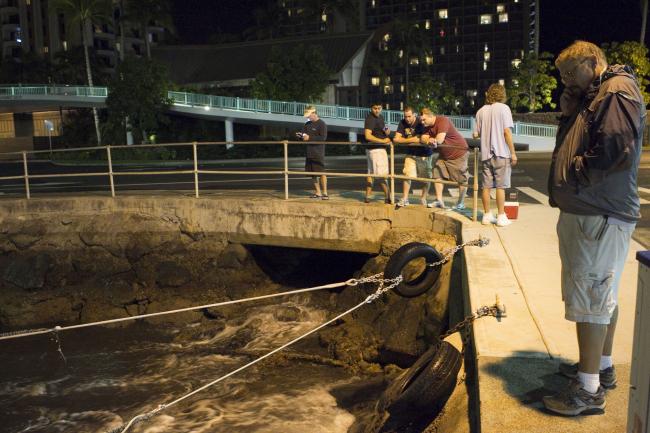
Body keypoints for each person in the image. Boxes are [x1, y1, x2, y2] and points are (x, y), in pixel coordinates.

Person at [542, 40, 644, 416]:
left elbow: (616, 146)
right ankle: (600, 367)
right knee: (602, 297)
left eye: (571, 72)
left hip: (597, 214)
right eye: (562, 75)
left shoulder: (614, 89)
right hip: (595, 213)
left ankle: (588, 392)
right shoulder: (595, 94)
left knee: (590, 301)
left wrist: (578, 173)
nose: (566, 80)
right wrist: (570, 111)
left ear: (592, 61)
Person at [473, 83, 517, 226]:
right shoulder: (504, 109)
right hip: (501, 153)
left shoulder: (480, 111)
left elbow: (476, 133)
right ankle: (501, 216)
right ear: (502, 94)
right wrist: (513, 153)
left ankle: (486, 215)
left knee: (486, 186)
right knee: (500, 186)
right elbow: (506, 132)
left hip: (486, 154)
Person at [419, 107, 469, 210]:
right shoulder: (426, 126)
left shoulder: (442, 120)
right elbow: (422, 138)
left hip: (458, 152)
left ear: (431, 116)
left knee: (461, 179)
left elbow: (440, 140)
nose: (422, 122)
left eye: (424, 119)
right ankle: (439, 200)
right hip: (444, 154)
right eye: (421, 120)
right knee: (437, 173)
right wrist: (429, 140)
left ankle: (461, 203)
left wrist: (433, 141)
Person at [393, 106, 433, 208]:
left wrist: (404, 140)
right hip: (410, 153)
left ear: (414, 115)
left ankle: (423, 198)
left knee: (426, 179)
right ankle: (405, 198)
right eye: (405, 116)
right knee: (407, 174)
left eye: (409, 116)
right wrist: (410, 140)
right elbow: (396, 139)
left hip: (424, 154)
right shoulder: (402, 123)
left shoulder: (421, 122)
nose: (407, 119)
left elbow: (419, 139)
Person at [363, 103, 391, 203]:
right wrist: (383, 141)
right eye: (375, 108)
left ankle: (367, 196)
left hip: (373, 149)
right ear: (371, 108)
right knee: (381, 174)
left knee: (371, 173)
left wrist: (386, 130)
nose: (377, 110)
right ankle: (388, 197)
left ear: (382, 108)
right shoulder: (370, 118)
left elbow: (382, 127)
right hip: (376, 150)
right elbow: (368, 136)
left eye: (379, 108)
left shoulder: (380, 117)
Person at [298, 106, 328, 199]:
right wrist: (300, 136)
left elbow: (323, 138)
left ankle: (325, 193)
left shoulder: (322, 124)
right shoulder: (307, 124)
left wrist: (309, 138)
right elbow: (304, 135)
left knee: (321, 172)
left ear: (314, 113)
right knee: (312, 174)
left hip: (318, 152)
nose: (308, 117)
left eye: (309, 115)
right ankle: (318, 192)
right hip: (309, 151)